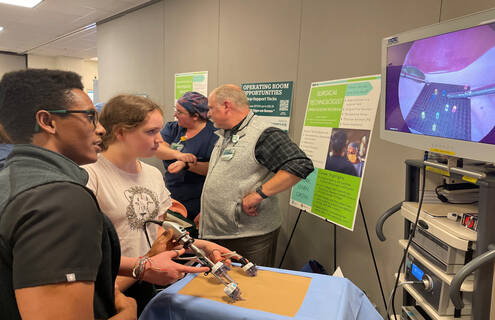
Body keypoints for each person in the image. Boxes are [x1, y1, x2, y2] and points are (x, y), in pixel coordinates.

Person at [0, 69, 135, 319]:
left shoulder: (13, 182)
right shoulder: (59, 201)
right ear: (49, 122)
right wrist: (128, 312)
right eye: (90, 117)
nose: (101, 129)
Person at [83, 94, 232, 314]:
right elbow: (85, 251)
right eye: (151, 132)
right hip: (107, 288)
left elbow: (161, 233)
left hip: (146, 278)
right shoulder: (90, 175)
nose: (160, 140)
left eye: (159, 131)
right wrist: (143, 266)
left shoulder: (152, 174)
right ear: (121, 132)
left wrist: (199, 246)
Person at [200, 84, 314, 267]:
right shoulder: (227, 133)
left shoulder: (263, 133)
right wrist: (207, 213)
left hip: (248, 236)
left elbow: (300, 164)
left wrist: (258, 195)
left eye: (211, 108)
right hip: (222, 232)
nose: (208, 114)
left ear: (227, 106)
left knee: (251, 288)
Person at [155, 91, 218, 220]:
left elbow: (213, 169)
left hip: (198, 201)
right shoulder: (173, 128)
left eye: (180, 112)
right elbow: (158, 148)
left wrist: (187, 165)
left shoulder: (215, 135)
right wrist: (178, 155)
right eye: (175, 110)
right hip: (171, 196)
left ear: (195, 116)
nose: (175, 115)